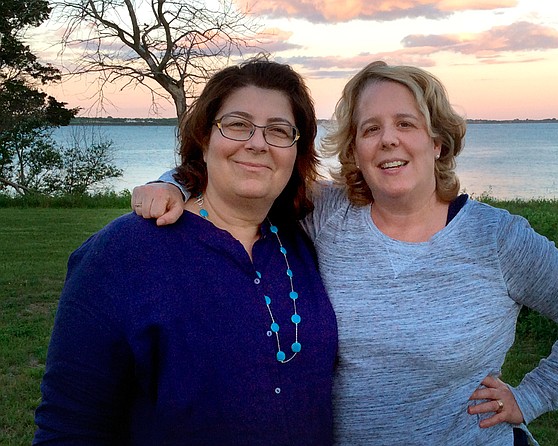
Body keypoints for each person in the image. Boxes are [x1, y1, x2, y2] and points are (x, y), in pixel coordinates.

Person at [131, 61, 558, 445]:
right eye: (370, 129)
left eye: (406, 123)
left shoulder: (499, 239)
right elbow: (246, 170)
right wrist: (169, 183)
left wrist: (532, 396)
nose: (388, 138)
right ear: (356, 151)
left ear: (436, 141)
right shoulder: (328, 213)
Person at [33, 58, 338, 445]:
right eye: (237, 124)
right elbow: (69, 427)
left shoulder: (302, 242)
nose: (257, 143)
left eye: (279, 130)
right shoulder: (121, 254)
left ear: (298, 151)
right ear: (205, 138)